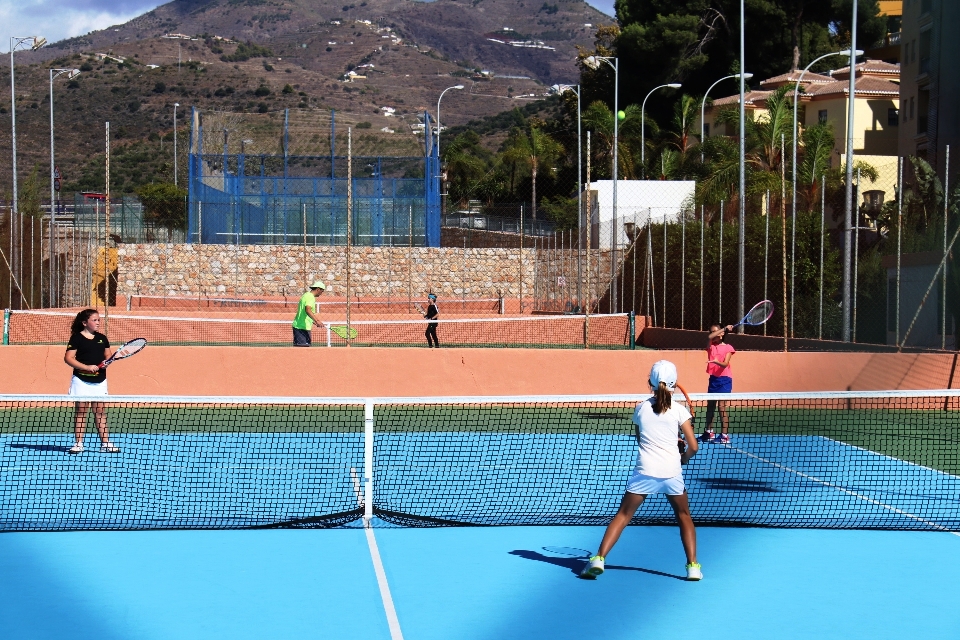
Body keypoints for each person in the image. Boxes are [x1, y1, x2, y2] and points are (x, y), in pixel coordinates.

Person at [580, 360, 701, 581]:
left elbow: (642, 437)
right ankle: (693, 567)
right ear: (674, 383)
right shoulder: (679, 411)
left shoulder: (641, 408)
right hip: (672, 473)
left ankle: (598, 559)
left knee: (623, 515)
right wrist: (682, 457)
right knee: (684, 516)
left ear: (650, 382)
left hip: (644, 472)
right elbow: (693, 446)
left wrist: (670, 441)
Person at [64, 309, 119, 454]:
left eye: (98, 320)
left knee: (100, 412)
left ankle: (106, 443)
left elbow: (108, 356)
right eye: (94, 320)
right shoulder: (76, 338)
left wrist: (107, 362)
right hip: (81, 380)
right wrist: (86, 367)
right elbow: (68, 358)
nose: (98, 322)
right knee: (81, 411)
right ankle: (78, 443)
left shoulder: (102, 338)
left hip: (100, 381)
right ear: (84, 323)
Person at [701, 323, 735, 444]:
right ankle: (709, 432)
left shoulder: (728, 348)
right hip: (713, 380)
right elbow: (710, 337)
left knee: (721, 407)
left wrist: (716, 362)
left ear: (722, 334)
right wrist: (724, 329)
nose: (712, 334)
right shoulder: (711, 345)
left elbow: (725, 364)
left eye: (714, 332)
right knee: (710, 407)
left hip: (725, 380)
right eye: (710, 331)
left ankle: (724, 436)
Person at [292, 281, 326, 346]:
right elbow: (308, 309)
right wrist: (317, 320)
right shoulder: (310, 297)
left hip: (300, 326)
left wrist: (313, 321)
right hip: (301, 327)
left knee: (302, 350)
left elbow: (304, 312)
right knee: (303, 351)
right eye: (322, 291)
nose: (321, 293)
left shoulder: (306, 295)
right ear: (318, 289)